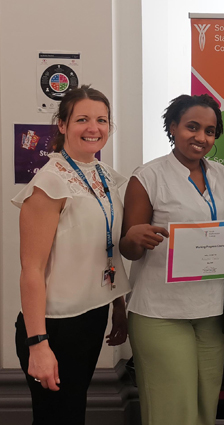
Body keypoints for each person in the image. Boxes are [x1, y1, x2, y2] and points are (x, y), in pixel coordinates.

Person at [12, 85, 130, 424]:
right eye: (82, 119)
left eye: (102, 120)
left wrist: (117, 306)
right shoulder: (50, 183)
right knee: (55, 417)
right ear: (62, 125)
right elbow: (31, 269)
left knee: (73, 410)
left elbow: (104, 246)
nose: (93, 128)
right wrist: (38, 344)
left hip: (92, 316)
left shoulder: (103, 175)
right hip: (54, 326)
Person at [120, 94, 224, 425]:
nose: (201, 138)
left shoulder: (222, 176)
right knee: (171, 410)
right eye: (192, 127)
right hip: (160, 311)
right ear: (173, 127)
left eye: (210, 131)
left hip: (211, 310)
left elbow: (217, 233)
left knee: (203, 408)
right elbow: (129, 248)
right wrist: (133, 237)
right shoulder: (148, 176)